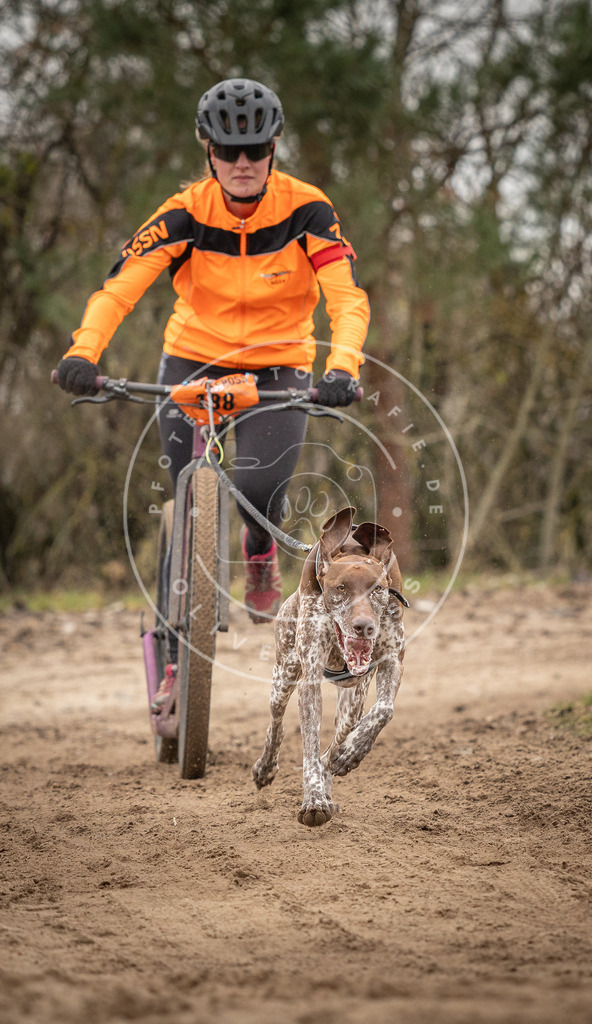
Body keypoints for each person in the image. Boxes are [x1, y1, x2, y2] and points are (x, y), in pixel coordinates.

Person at [56, 78, 370, 705]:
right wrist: (83, 353)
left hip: (279, 365)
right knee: (186, 501)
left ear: (274, 148)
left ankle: (259, 548)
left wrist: (342, 367)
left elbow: (346, 296)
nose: (242, 163)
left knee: (258, 487)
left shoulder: (308, 210)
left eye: (255, 149)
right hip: (193, 360)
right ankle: (173, 660)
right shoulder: (183, 213)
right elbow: (120, 288)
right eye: (228, 151)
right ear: (208, 151)